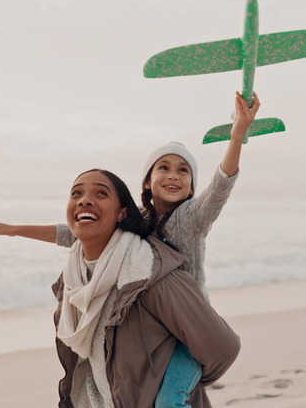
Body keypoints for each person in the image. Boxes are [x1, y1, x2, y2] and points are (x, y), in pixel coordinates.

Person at [0, 91, 260, 408]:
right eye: (163, 168)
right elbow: (74, 233)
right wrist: (13, 230)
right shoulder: (138, 222)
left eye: (183, 171)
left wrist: (236, 136)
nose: (173, 175)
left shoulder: (192, 218)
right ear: (147, 182)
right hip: (158, 325)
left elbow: (221, 186)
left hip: (188, 327)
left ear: (192, 186)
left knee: (170, 400)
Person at [54, 168, 239, 407]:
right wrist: (12, 230)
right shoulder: (73, 283)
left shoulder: (151, 275)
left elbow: (222, 348)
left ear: (122, 213)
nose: (85, 200)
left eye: (101, 193)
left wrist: (181, 385)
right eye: (76, 193)